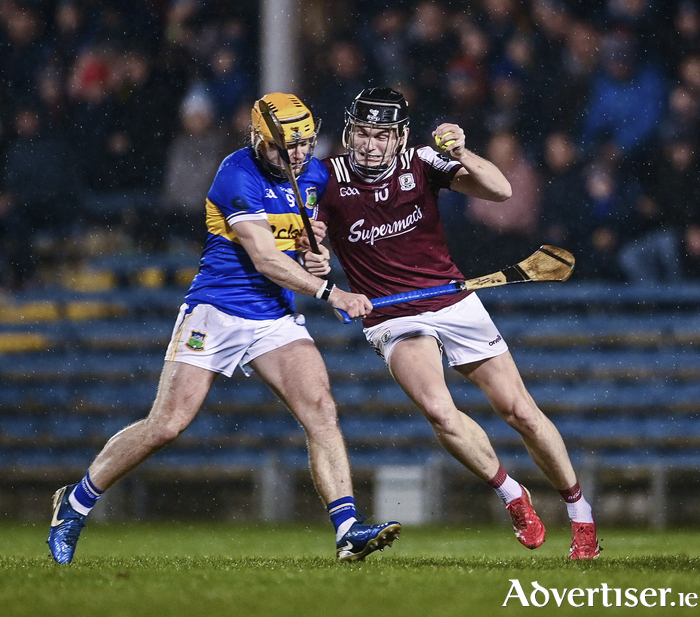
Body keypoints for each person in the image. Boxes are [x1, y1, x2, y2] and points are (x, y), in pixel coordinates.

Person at [47, 92, 401, 564]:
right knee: (166, 425)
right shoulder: (237, 173)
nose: (296, 155)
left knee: (321, 410)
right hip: (216, 310)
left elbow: (310, 244)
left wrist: (320, 255)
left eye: (304, 144)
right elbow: (265, 258)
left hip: (273, 316)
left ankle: (347, 530)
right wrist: (329, 292)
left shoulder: (316, 174)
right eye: (285, 146)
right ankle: (74, 503)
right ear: (259, 140)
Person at [313, 87, 600, 560]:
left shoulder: (423, 161)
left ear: (400, 136)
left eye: (381, 135)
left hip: (452, 301)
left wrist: (463, 152)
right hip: (391, 315)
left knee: (520, 411)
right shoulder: (327, 178)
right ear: (349, 132)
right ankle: (512, 495)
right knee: (439, 411)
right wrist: (317, 258)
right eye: (362, 133)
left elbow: (501, 190)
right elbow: (314, 252)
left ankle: (580, 513)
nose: (370, 145)